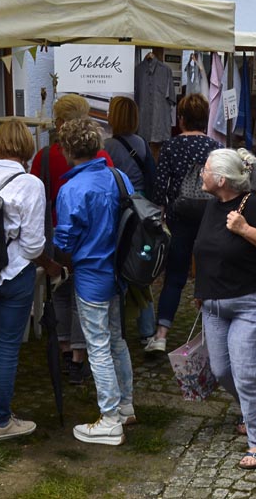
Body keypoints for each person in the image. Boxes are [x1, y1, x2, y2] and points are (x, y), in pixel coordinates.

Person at [194, 148, 256, 469]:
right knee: (222, 371)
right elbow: (206, 251)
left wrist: (245, 229)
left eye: (205, 170)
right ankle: (250, 411)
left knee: (247, 374)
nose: (201, 175)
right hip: (213, 305)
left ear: (221, 179)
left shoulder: (254, 206)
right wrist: (200, 291)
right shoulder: (211, 207)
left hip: (250, 304)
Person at [0, 120, 62, 440]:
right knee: (8, 344)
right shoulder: (30, 184)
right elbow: (34, 245)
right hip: (12, 273)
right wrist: (49, 265)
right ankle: (1, 420)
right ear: (26, 146)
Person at [54, 117, 135, 446]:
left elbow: (64, 242)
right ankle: (126, 405)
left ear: (67, 149)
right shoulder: (119, 177)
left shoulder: (72, 189)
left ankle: (111, 419)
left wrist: (58, 260)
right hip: (120, 272)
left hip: (90, 275)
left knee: (98, 345)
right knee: (116, 339)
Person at [31, 93, 114, 385]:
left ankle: (65, 348)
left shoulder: (44, 157)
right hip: (94, 236)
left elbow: (35, 197)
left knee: (61, 292)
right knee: (84, 298)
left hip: (56, 232)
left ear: (59, 121)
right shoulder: (101, 156)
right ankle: (80, 356)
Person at [145, 94, 223, 352]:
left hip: (179, 220)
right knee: (209, 275)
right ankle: (212, 335)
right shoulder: (214, 147)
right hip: (210, 219)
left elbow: (159, 191)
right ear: (204, 119)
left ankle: (161, 334)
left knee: (175, 277)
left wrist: (163, 213)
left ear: (181, 119)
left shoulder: (170, 147)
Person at [103, 95, 158, 346]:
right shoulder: (142, 144)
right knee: (139, 268)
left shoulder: (107, 147)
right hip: (141, 210)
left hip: (116, 210)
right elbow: (151, 179)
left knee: (117, 267)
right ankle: (147, 328)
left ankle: (118, 326)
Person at [104, 96, 155, 196]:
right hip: (139, 200)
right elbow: (151, 173)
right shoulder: (142, 142)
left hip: (117, 197)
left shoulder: (106, 146)